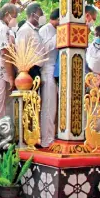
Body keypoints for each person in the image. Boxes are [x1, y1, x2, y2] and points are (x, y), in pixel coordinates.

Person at [38, 8, 59, 148]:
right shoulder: (45, 29)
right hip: (47, 69)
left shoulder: (55, 30)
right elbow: (43, 48)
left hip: (56, 71)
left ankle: (51, 137)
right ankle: (46, 140)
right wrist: (59, 36)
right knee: (48, 106)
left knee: (54, 107)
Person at [16, 3, 45, 81]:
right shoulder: (25, 30)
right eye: (41, 14)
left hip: (36, 70)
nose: (42, 17)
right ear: (33, 14)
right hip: (29, 70)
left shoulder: (34, 30)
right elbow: (20, 52)